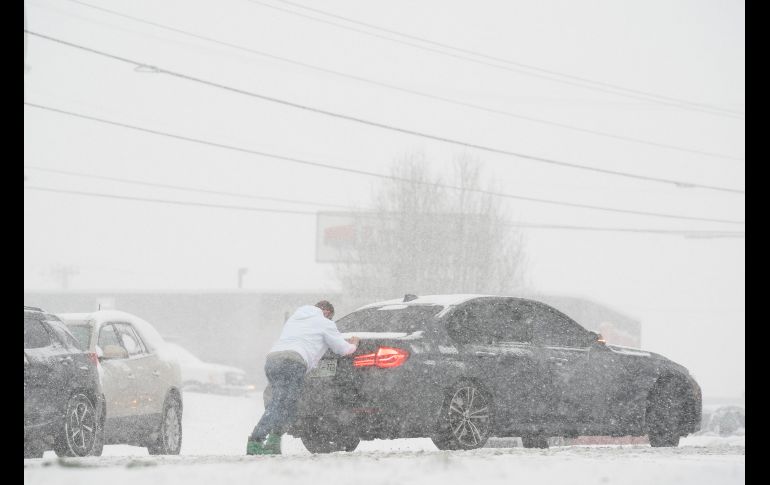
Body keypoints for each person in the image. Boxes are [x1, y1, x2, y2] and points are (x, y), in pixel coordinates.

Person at [246, 300, 359, 455]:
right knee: (283, 405)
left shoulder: (295, 318)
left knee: (282, 403)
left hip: (273, 360)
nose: (330, 321)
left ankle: (272, 442)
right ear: (326, 312)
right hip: (293, 362)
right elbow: (341, 348)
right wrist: (353, 344)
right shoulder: (324, 322)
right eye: (330, 317)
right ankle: (257, 441)